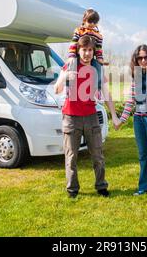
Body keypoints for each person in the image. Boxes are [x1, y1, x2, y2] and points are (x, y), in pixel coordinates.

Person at [55, 35, 119, 199]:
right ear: (78, 50)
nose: (87, 53)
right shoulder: (70, 65)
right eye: (84, 50)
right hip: (71, 117)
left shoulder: (97, 68)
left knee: (98, 155)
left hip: (91, 116)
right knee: (71, 157)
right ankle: (72, 189)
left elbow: (107, 94)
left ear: (93, 51)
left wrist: (114, 116)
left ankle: (101, 186)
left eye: (90, 50)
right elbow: (56, 89)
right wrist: (65, 77)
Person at [114, 45, 147, 196]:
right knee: (143, 155)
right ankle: (145, 186)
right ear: (135, 60)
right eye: (140, 58)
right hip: (139, 119)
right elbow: (131, 100)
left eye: (146, 57)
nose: (143, 60)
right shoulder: (136, 76)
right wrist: (121, 120)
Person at [66, 9, 106, 95]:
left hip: (90, 57)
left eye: (95, 22)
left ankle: (98, 90)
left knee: (99, 68)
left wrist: (99, 58)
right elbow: (73, 43)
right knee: (71, 66)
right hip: (78, 55)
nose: (92, 24)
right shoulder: (79, 31)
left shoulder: (98, 35)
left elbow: (99, 48)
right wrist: (72, 55)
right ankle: (68, 87)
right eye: (90, 21)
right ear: (84, 20)